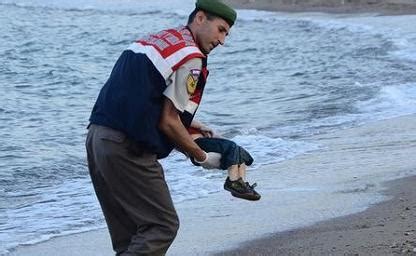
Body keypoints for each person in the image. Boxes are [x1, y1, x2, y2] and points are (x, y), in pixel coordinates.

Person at [85, 0, 237, 255]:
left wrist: (189, 124)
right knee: (162, 225)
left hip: (97, 139)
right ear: (200, 18)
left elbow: (142, 93)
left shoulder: (158, 40)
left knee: (130, 237)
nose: (222, 40)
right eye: (221, 29)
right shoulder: (192, 58)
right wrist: (202, 157)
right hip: (127, 148)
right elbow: (167, 121)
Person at [188, 120, 261, 201]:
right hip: (197, 143)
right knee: (232, 146)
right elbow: (184, 119)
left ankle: (241, 186)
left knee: (238, 150)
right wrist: (202, 126)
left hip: (204, 140)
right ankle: (232, 182)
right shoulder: (178, 117)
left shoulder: (183, 116)